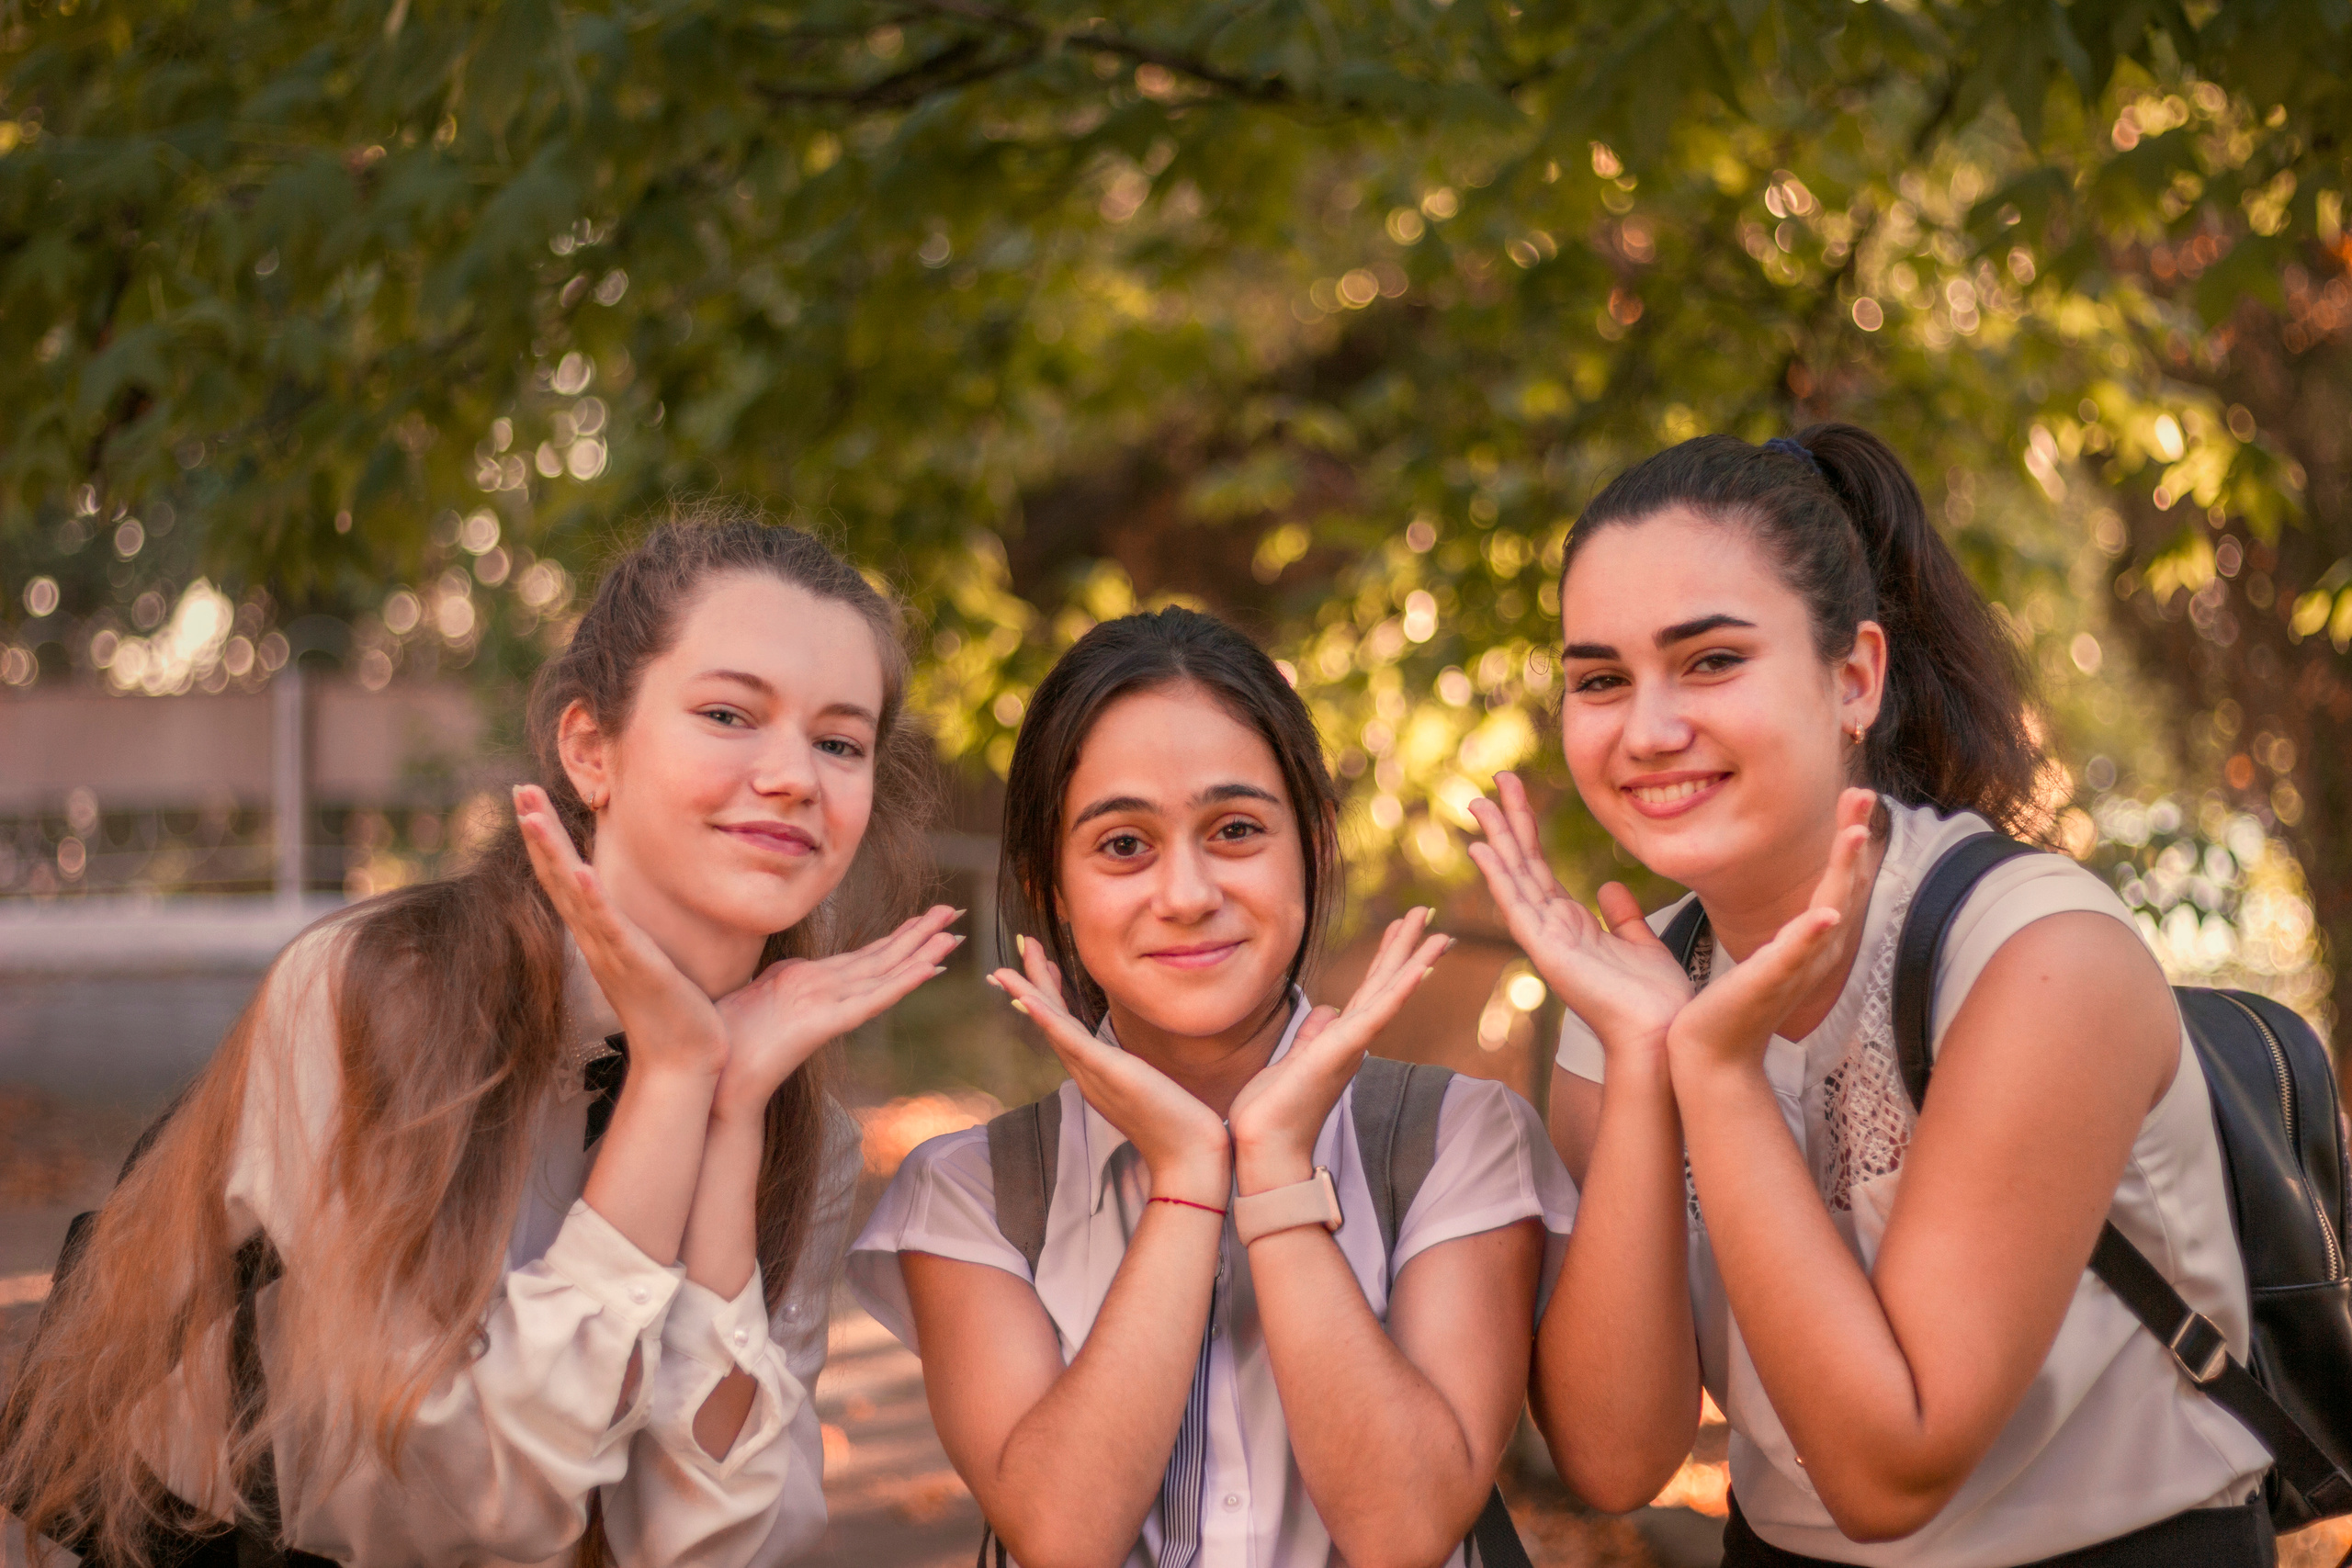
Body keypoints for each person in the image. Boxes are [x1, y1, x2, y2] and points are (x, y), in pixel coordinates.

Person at [2, 510, 960, 1568]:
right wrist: (674, 1077)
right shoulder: (375, 1002)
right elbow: (469, 1509)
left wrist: (726, 1118)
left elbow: (716, 1549)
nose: (793, 776)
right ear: (592, 749)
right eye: (731, 714)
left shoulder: (795, 1124)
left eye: (839, 742)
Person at [1473, 425, 2272, 1565]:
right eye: (1600, 679)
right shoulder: (1634, 990)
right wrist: (1649, 1057)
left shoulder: (2037, 958)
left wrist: (1713, 1069)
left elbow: (1888, 1472)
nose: (1646, 731)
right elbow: (1612, 1458)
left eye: (1709, 661)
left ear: (1854, 678)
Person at [847, 606, 1576, 1568]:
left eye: (1234, 830)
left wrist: (1273, 1171)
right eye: (1122, 846)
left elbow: (1405, 1529)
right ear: (1047, 883)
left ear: (1313, 846)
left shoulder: (1459, 1139)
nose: (1186, 894)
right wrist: (1191, 1175)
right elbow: (1061, 1537)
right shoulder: (968, 1196)